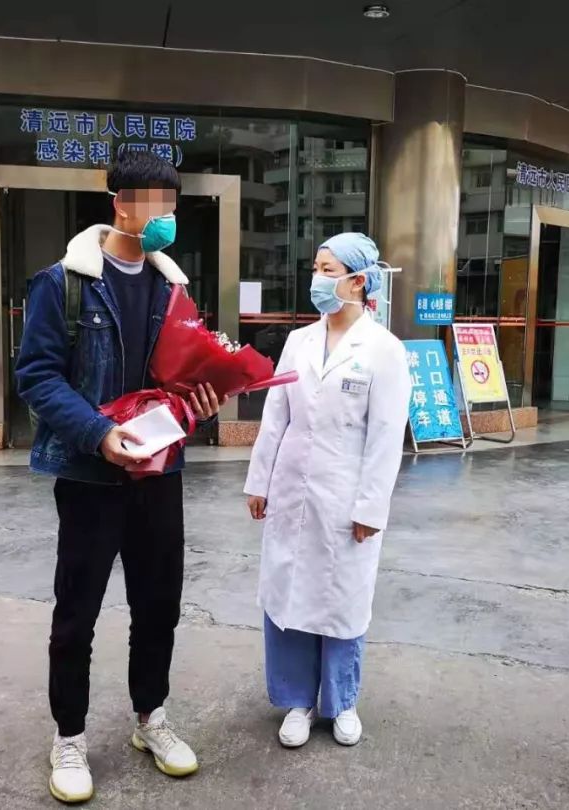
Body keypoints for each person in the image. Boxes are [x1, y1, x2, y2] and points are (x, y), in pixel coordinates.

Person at [16, 151, 224, 804]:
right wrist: (98, 433)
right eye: (153, 204)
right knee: (77, 613)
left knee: (158, 605)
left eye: (172, 206)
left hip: (160, 475)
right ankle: (69, 737)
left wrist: (201, 401)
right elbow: (37, 376)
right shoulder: (64, 282)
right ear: (121, 205)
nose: (164, 218)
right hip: (90, 475)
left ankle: (150, 718)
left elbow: (179, 378)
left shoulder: (173, 288)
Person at [243, 232, 411, 749]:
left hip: (345, 495)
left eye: (327, 270)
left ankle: (342, 701)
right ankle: (296, 700)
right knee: (290, 593)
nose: (317, 279)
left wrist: (370, 507)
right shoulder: (298, 341)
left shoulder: (384, 349)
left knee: (341, 600)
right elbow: (276, 415)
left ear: (358, 281)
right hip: (291, 489)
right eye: (315, 268)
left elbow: (386, 436)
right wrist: (260, 480)